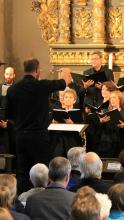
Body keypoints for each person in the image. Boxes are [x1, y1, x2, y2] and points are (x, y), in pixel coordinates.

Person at [6, 58, 72, 194]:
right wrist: (65, 71)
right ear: (37, 70)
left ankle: (23, 199)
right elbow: (65, 82)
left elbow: (10, 115)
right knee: (43, 170)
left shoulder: (12, 89)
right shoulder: (42, 85)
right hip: (39, 136)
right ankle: (43, 197)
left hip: (21, 137)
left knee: (23, 171)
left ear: (24, 70)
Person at [98, 90, 124, 157]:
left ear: (120, 99)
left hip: (122, 142)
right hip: (107, 144)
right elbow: (99, 130)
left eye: (114, 98)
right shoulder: (105, 111)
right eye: (111, 98)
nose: (112, 100)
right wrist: (101, 122)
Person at [50, 88, 83, 157]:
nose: (68, 99)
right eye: (66, 97)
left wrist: (72, 124)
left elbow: (81, 129)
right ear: (63, 100)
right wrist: (54, 123)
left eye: (70, 97)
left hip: (73, 139)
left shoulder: (78, 112)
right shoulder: (57, 111)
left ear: (74, 101)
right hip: (60, 138)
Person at [0, 67, 16, 155]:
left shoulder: (17, 88)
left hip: (12, 121)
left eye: (10, 74)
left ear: (14, 75)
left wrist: (8, 123)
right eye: (6, 74)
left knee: (11, 146)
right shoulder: (0, 86)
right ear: (4, 75)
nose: (8, 76)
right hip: (1, 118)